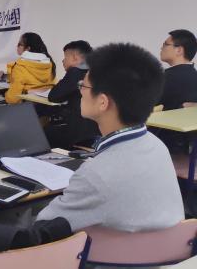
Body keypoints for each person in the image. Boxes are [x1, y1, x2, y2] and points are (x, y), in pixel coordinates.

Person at [36, 43, 184, 232]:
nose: (80, 90)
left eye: (83, 85)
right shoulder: (158, 146)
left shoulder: (94, 175)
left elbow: (42, 226)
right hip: (166, 248)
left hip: (104, 251)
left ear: (103, 102)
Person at [45, 40, 100, 148]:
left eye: (65, 57)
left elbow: (53, 96)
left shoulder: (76, 72)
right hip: (98, 131)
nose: (63, 60)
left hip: (79, 134)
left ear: (75, 57)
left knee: (44, 133)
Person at [5, 32, 56, 104]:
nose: (17, 46)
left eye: (20, 44)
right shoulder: (49, 64)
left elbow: (13, 99)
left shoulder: (20, 66)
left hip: (28, 106)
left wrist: (4, 95)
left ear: (28, 48)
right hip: (47, 105)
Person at [159, 29, 197, 110]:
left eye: (165, 44)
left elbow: (140, 102)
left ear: (179, 50)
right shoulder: (193, 74)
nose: (161, 48)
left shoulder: (168, 78)